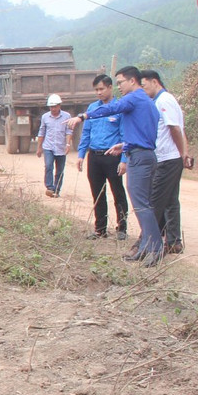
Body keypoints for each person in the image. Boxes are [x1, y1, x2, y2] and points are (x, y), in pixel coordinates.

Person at [67, 66, 164, 266]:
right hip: (140, 153)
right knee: (142, 203)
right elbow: (145, 132)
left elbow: (111, 108)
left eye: (120, 82)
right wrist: (126, 145)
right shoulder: (145, 102)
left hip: (140, 158)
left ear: (132, 81)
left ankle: (155, 248)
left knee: (141, 205)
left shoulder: (135, 97)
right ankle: (146, 246)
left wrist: (84, 116)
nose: (119, 86)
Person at [140, 69, 192, 255]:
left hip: (168, 159)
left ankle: (147, 242)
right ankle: (173, 241)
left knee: (155, 200)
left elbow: (175, 129)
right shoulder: (159, 101)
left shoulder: (164, 100)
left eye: (144, 86)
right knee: (170, 200)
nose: (143, 90)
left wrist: (182, 153)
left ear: (155, 82)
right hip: (167, 157)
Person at [76, 75, 128, 240]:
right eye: (96, 90)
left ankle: (122, 228)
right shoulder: (93, 108)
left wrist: (124, 160)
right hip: (95, 156)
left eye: (101, 89)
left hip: (112, 156)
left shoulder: (119, 107)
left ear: (110, 87)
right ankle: (100, 229)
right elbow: (86, 133)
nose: (99, 92)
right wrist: (81, 155)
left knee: (118, 192)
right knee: (98, 193)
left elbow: (124, 135)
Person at [35, 93, 72, 198]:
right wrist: (39, 148)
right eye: (51, 107)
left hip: (61, 147)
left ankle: (57, 189)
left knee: (60, 170)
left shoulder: (66, 116)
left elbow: (69, 131)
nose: (53, 109)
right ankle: (50, 187)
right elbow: (41, 133)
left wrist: (68, 144)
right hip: (48, 147)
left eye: (55, 106)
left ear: (59, 105)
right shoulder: (45, 117)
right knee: (48, 166)